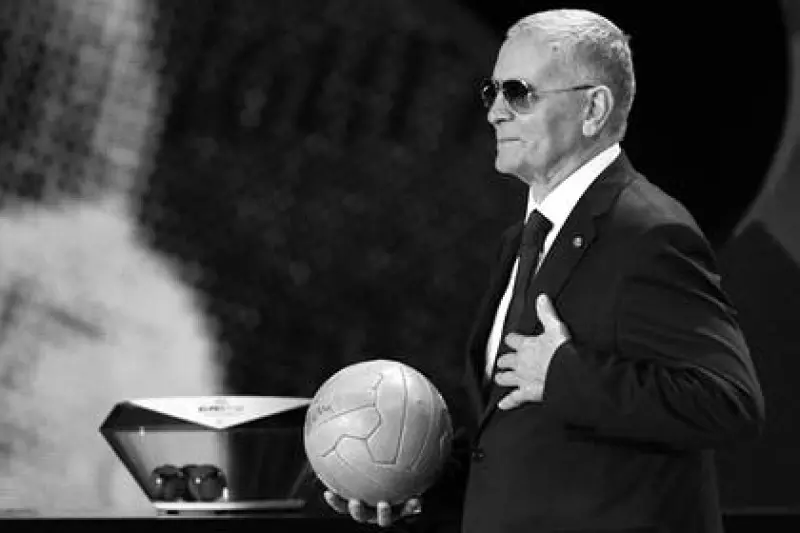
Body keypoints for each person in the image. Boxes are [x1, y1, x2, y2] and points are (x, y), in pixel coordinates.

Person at [324, 8, 765, 533]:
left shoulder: (646, 231)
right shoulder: (524, 239)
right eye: (491, 92)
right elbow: (520, 440)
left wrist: (562, 375)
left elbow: (730, 404)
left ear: (593, 109)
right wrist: (414, 484)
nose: (495, 113)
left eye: (518, 93)